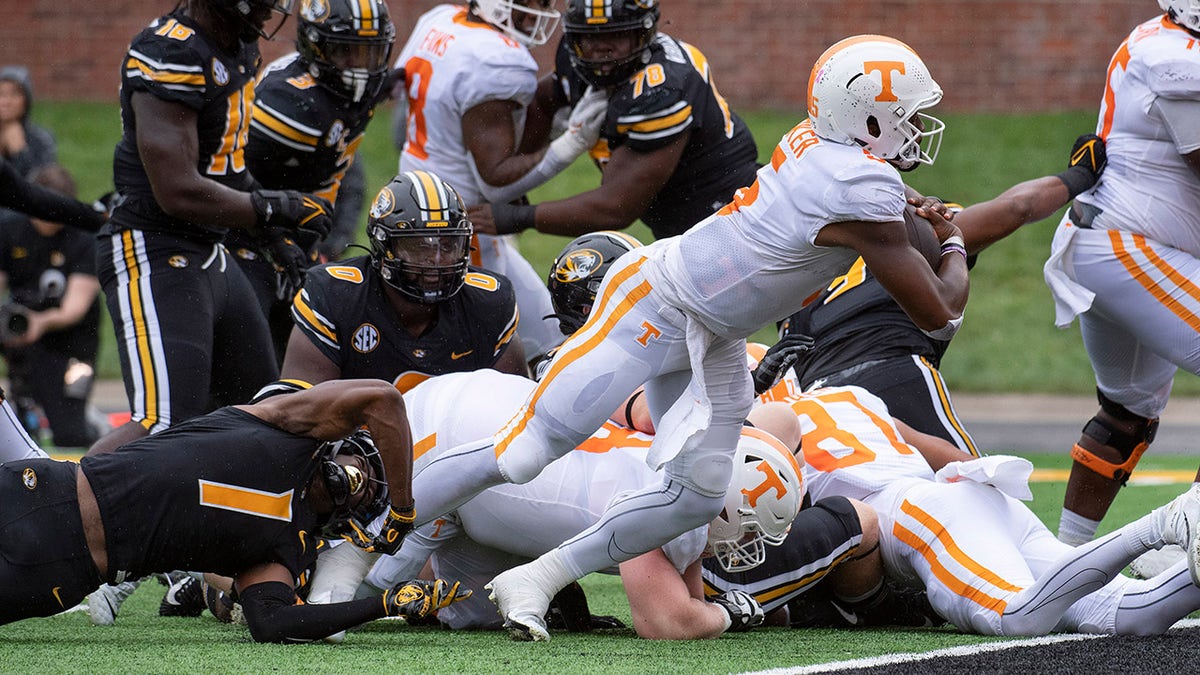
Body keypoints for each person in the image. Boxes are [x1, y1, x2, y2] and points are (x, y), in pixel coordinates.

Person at [405, 34, 968, 642]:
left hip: (714, 331)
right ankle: (372, 532)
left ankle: (538, 578)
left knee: (696, 499)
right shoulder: (860, 186)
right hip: (652, 302)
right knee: (526, 449)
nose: (917, 126)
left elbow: (882, 211)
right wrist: (956, 243)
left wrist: (912, 210)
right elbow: (939, 312)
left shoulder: (820, 144)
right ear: (866, 117)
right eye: (907, 114)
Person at [314, 369, 804, 639]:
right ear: (722, 501)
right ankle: (267, 575)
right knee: (350, 593)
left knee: (473, 613)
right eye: (748, 529)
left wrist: (710, 609)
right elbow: (669, 623)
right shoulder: (666, 507)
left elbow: (688, 600)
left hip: (494, 427)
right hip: (458, 435)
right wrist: (729, 615)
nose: (746, 546)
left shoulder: (690, 462)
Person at [0, 378, 471, 640]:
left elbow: (271, 621)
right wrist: (403, 511)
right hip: (46, 494)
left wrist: (383, 603)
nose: (363, 484)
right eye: (364, 466)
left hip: (66, 573)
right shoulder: (284, 426)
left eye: (373, 494)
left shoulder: (291, 547)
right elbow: (384, 400)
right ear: (341, 441)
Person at [90, 0, 335, 457]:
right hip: (154, 247)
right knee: (164, 426)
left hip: (209, 251)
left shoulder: (232, 47)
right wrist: (270, 208)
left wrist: (271, 237)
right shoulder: (170, 52)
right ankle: (56, 506)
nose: (270, 9)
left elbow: (227, 167)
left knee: (262, 415)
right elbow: (176, 190)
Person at [760, 383, 1200, 637]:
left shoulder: (763, 428)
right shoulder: (851, 397)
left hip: (921, 513)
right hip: (975, 495)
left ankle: (1165, 521)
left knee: (1016, 618)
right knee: (1131, 612)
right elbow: (950, 455)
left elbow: (779, 520)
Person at [782, 133, 1109, 454]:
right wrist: (1079, 175)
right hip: (892, 372)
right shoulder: (922, 226)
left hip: (813, 399)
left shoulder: (805, 247)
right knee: (977, 491)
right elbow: (1017, 207)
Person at [1041, 1, 1200, 555]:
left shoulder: (1163, 40)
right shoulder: (1174, 57)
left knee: (1126, 413)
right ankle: (1184, 549)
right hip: (1126, 247)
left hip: (1116, 244)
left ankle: (1064, 560)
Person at [468, 0, 760, 242]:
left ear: (642, 34)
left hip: (731, 217)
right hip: (676, 223)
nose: (600, 49)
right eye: (590, 38)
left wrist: (519, 217)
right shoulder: (576, 58)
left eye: (615, 36)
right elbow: (543, 103)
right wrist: (516, 179)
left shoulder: (662, 88)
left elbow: (615, 207)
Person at [392, 0, 585, 362]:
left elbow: (402, 94)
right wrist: (572, 141)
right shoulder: (497, 59)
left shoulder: (441, 19)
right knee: (484, 352)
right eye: (529, 4)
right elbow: (496, 181)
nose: (536, 14)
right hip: (458, 229)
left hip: (418, 199)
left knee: (551, 336)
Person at [233, 0, 397, 363]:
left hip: (301, 233)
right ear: (314, 46)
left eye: (369, 54)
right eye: (346, 53)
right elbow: (232, 176)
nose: (360, 68)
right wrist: (275, 236)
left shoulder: (354, 86)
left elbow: (343, 163)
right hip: (245, 237)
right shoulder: (288, 104)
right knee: (254, 359)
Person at [279, 170, 527, 388]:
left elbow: (512, 411)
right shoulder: (333, 295)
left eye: (449, 244)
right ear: (383, 245)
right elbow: (302, 413)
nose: (437, 259)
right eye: (420, 246)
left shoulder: (489, 303)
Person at [0, 165, 103, 448]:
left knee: (70, 435)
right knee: (21, 431)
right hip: (18, 332)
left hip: (71, 343)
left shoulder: (85, 236)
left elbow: (76, 307)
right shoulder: (10, 229)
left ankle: (89, 423)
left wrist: (41, 322)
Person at [0, 65, 56, 178]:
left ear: (26, 101)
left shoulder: (42, 139)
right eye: (1, 94)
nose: (6, 102)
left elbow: (44, 187)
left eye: (14, 95)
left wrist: (20, 153)